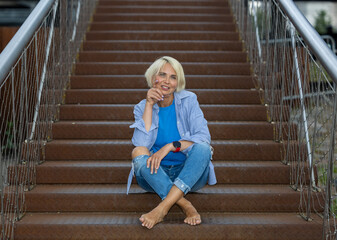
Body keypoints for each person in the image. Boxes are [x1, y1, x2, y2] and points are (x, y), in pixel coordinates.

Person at [127, 56, 216, 229]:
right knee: (138, 152)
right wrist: (149, 105)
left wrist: (170, 146)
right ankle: (185, 205)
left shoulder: (189, 100)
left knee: (204, 149)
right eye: (162, 75)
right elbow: (141, 143)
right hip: (154, 174)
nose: (167, 81)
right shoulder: (141, 107)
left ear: (178, 82)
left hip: (190, 173)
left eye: (173, 77)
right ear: (154, 78)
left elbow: (204, 137)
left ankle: (162, 209)